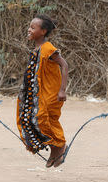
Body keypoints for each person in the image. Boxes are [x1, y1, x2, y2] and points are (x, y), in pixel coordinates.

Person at [17, 14, 69, 168]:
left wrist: (62, 90)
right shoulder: (37, 49)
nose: (29, 29)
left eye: (33, 28)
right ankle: (55, 150)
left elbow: (64, 65)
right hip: (39, 94)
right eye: (30, 26)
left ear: (43, 31)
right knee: (32, 118)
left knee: (43, 119)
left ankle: (59, 146)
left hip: (51, 94)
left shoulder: (48, 48)